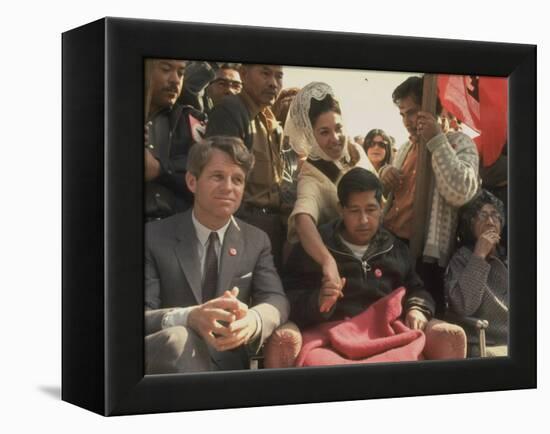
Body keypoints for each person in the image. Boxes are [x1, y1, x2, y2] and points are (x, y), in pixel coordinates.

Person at [144, 136, 289, 374]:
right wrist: (189, 317)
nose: (229, 187)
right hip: (169, 365)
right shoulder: (153, 237)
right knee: (179, 338)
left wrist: (253, 320)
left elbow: (276, 299)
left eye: (238, 180)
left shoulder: (256, 240)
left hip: (228, 366)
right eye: (218, 176)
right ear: (192, 181)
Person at [284, 168, 434, 329]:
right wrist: (318, 301)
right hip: (331, 335)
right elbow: (289, 297)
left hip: (387, 334)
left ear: (381, 207)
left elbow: (416, 289)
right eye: (354, 211)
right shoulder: (316, 247)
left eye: (370, 210)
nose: (363, 220)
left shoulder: (395, 248)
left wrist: (417, 309)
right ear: (341, 210)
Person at [381, 76, 480, 312]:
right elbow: (391, 199)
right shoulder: (405, 148)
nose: (407, 121)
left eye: (413, 112)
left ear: (436, 109)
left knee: (421, 318)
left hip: (427, 256)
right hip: (392, 246)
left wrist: (436, 140)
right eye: (403, 114)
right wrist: (385, 175)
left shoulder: (460, 144)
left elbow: (461, 192)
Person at [284, 82, 376, 305]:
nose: (335, 138)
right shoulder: (311, 174)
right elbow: (303, 218)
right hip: (342, 266)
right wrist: (327, 261)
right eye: (324, 132)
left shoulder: (356, 151)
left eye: (338, 128)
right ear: (310, 134)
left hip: (375, 255)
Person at [205, 64, 286, 269]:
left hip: (270, 224)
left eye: (279, 76)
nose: (273, 83)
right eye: (265, 73)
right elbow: (222, 182)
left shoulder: (268, 119)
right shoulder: (231, 110)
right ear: (244, 74)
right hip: (243, 224)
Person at [444, 190, 508, 357]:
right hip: (487, 342)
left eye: (495, 215)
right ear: (470, 224)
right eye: (482, 215)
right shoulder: (462, 259)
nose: (490, 221)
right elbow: (464, 306)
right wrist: (479, 255)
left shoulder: (509, 255)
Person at [144, 58, 206, 221]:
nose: (175, 80)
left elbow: (204, 177)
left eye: (181, 73)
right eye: (166, 69)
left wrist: (159, 169)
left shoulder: (191, 120)